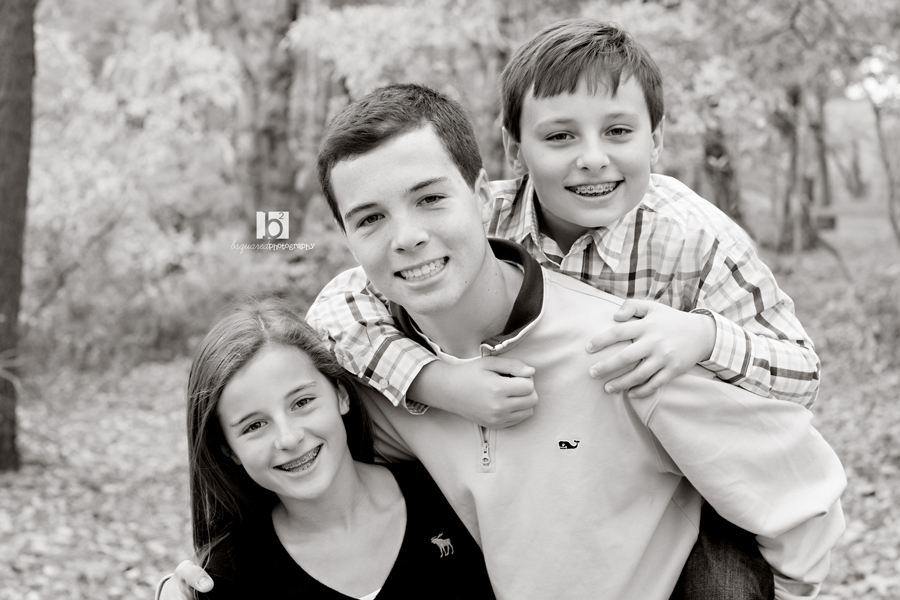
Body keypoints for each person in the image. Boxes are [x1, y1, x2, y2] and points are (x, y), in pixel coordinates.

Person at [167, 83, 845, 600]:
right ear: (347, 238)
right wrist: (201, 582)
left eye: (430, 198)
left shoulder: (623, 348)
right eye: (370, 218)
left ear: (482, 194)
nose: (406, 237)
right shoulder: (374, 384)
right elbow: (296, 468)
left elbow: (802, 506)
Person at [307, 19, 823, 596]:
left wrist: (702, 336)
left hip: (689, 484)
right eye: (559, 137)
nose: (593, 159)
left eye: (618, 131)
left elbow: (801, 373)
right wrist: (438, 382)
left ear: (655, 139)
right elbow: (334, 312)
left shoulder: (693, 237)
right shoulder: (486, 220)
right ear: (515, 150)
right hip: (559, 476)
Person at [161, 297, 494, 600]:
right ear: (229, 450)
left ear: (341, 395)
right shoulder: (223, 581)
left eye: (302, 402)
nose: (289, 438)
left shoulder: (451, 495)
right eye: (254, 426)